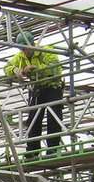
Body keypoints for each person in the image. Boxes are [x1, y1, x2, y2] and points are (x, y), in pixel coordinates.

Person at [4, 30, 65, 160]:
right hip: (37, 90)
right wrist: (15, 70)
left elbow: (54, 68)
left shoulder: (47, 51)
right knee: (33, 119)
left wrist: (36, 68)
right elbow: (7, 67)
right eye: (23, 49)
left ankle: (53, 148)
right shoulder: (20, 57)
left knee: (53, 117)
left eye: (26, 48)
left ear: (32, 44)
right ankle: (32, 150)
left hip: (52, 88)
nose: (25, 51)